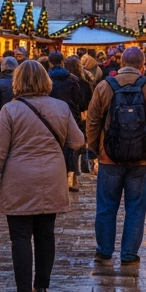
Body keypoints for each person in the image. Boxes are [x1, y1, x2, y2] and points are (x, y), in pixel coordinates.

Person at [0, 61, 85, 292]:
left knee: (20, 237)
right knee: (45, 234)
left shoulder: (10, 110)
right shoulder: (60, 107)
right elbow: (78, 141)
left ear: (17, 82)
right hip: (52, 177)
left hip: (19, 179)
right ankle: (41, 289)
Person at [86, 46, 146, 265]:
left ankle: (105, 251)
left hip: (109, 157)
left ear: (121, 63)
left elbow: (93, 122)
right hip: (141, 158)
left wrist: (96, 148)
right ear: (142, 66)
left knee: (106, 207)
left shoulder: (104, 86)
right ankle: (129, 254)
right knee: (135, 208)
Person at [47, 51, 90, 191]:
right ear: (62, 62)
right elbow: (80, 102)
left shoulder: (45, 79)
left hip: (50, 116)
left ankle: (57, 177)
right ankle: (72, 177)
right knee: (71, 146)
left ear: (50, 62)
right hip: (71, 116)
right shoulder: (73, 79)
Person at [64, 55, 95, 175]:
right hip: (81, 117)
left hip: (65, 116)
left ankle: (70, 170)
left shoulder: (64, 83)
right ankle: (75, 170)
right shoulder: (84, 83)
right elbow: (88, 102)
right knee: (78, 143)